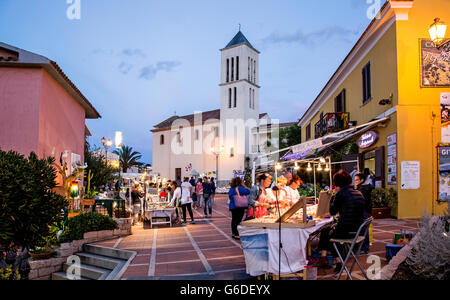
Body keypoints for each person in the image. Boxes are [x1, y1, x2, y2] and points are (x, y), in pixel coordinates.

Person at [313, 170, 366, 269]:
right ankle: (333, 260)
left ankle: (326, 259)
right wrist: (338, 223)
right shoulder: (358, 193)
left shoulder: (341, 194)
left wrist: (334, 196)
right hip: (358, 230)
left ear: (337, 183)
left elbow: (332, 211)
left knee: (326, 233)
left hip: (347, 232)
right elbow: (351, 214)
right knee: (328, 231)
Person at [355, 173, 373, 254]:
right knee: (362, 229)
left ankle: (364, 248)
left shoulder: (363, 189)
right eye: (354, 180)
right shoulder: (361, 188)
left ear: (361, 180)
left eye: (357, 180)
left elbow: (361, 201)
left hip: (363, 211)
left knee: (363, 230)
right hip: (364, 211)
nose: (355, 182)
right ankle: (362, 247)